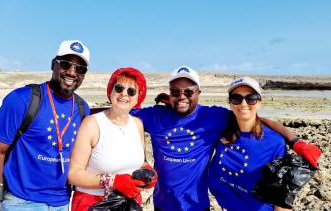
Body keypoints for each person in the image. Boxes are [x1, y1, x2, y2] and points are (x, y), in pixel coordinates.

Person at [131, 66, 321, 211]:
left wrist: (296, 142)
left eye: (188, 92)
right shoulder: (156, 115)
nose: (243, 104)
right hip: (162, 203)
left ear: (198, 93)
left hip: (197, 205)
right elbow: (118, 114)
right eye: (176, 92)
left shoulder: (213, 117)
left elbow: (251, 116)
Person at [0, 40, 91, 211]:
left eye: (80, 68)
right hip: (21, 202)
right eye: (65, 64)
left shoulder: (83, 109)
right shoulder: (22, 99)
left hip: (62, 203)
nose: (71, 72)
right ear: (53, 64)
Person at [68, 67, 156, 211]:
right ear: (111, 91)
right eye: (119, 88)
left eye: (131, 91)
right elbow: (73, 175)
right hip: (94, 203)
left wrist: (149, 172)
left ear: (138, 97)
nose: (124, 94)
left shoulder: (137, 124)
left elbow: (141, 162)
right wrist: (113, 182)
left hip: (129, 203)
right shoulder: (92, 124)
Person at [208, 76, 290, 211]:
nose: (243, 104)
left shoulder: (274, 143)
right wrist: (174, 102)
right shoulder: (221, 132)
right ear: (230, 103)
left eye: (251, 98)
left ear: (259, 103)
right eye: (236, 98)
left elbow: (281, 196)